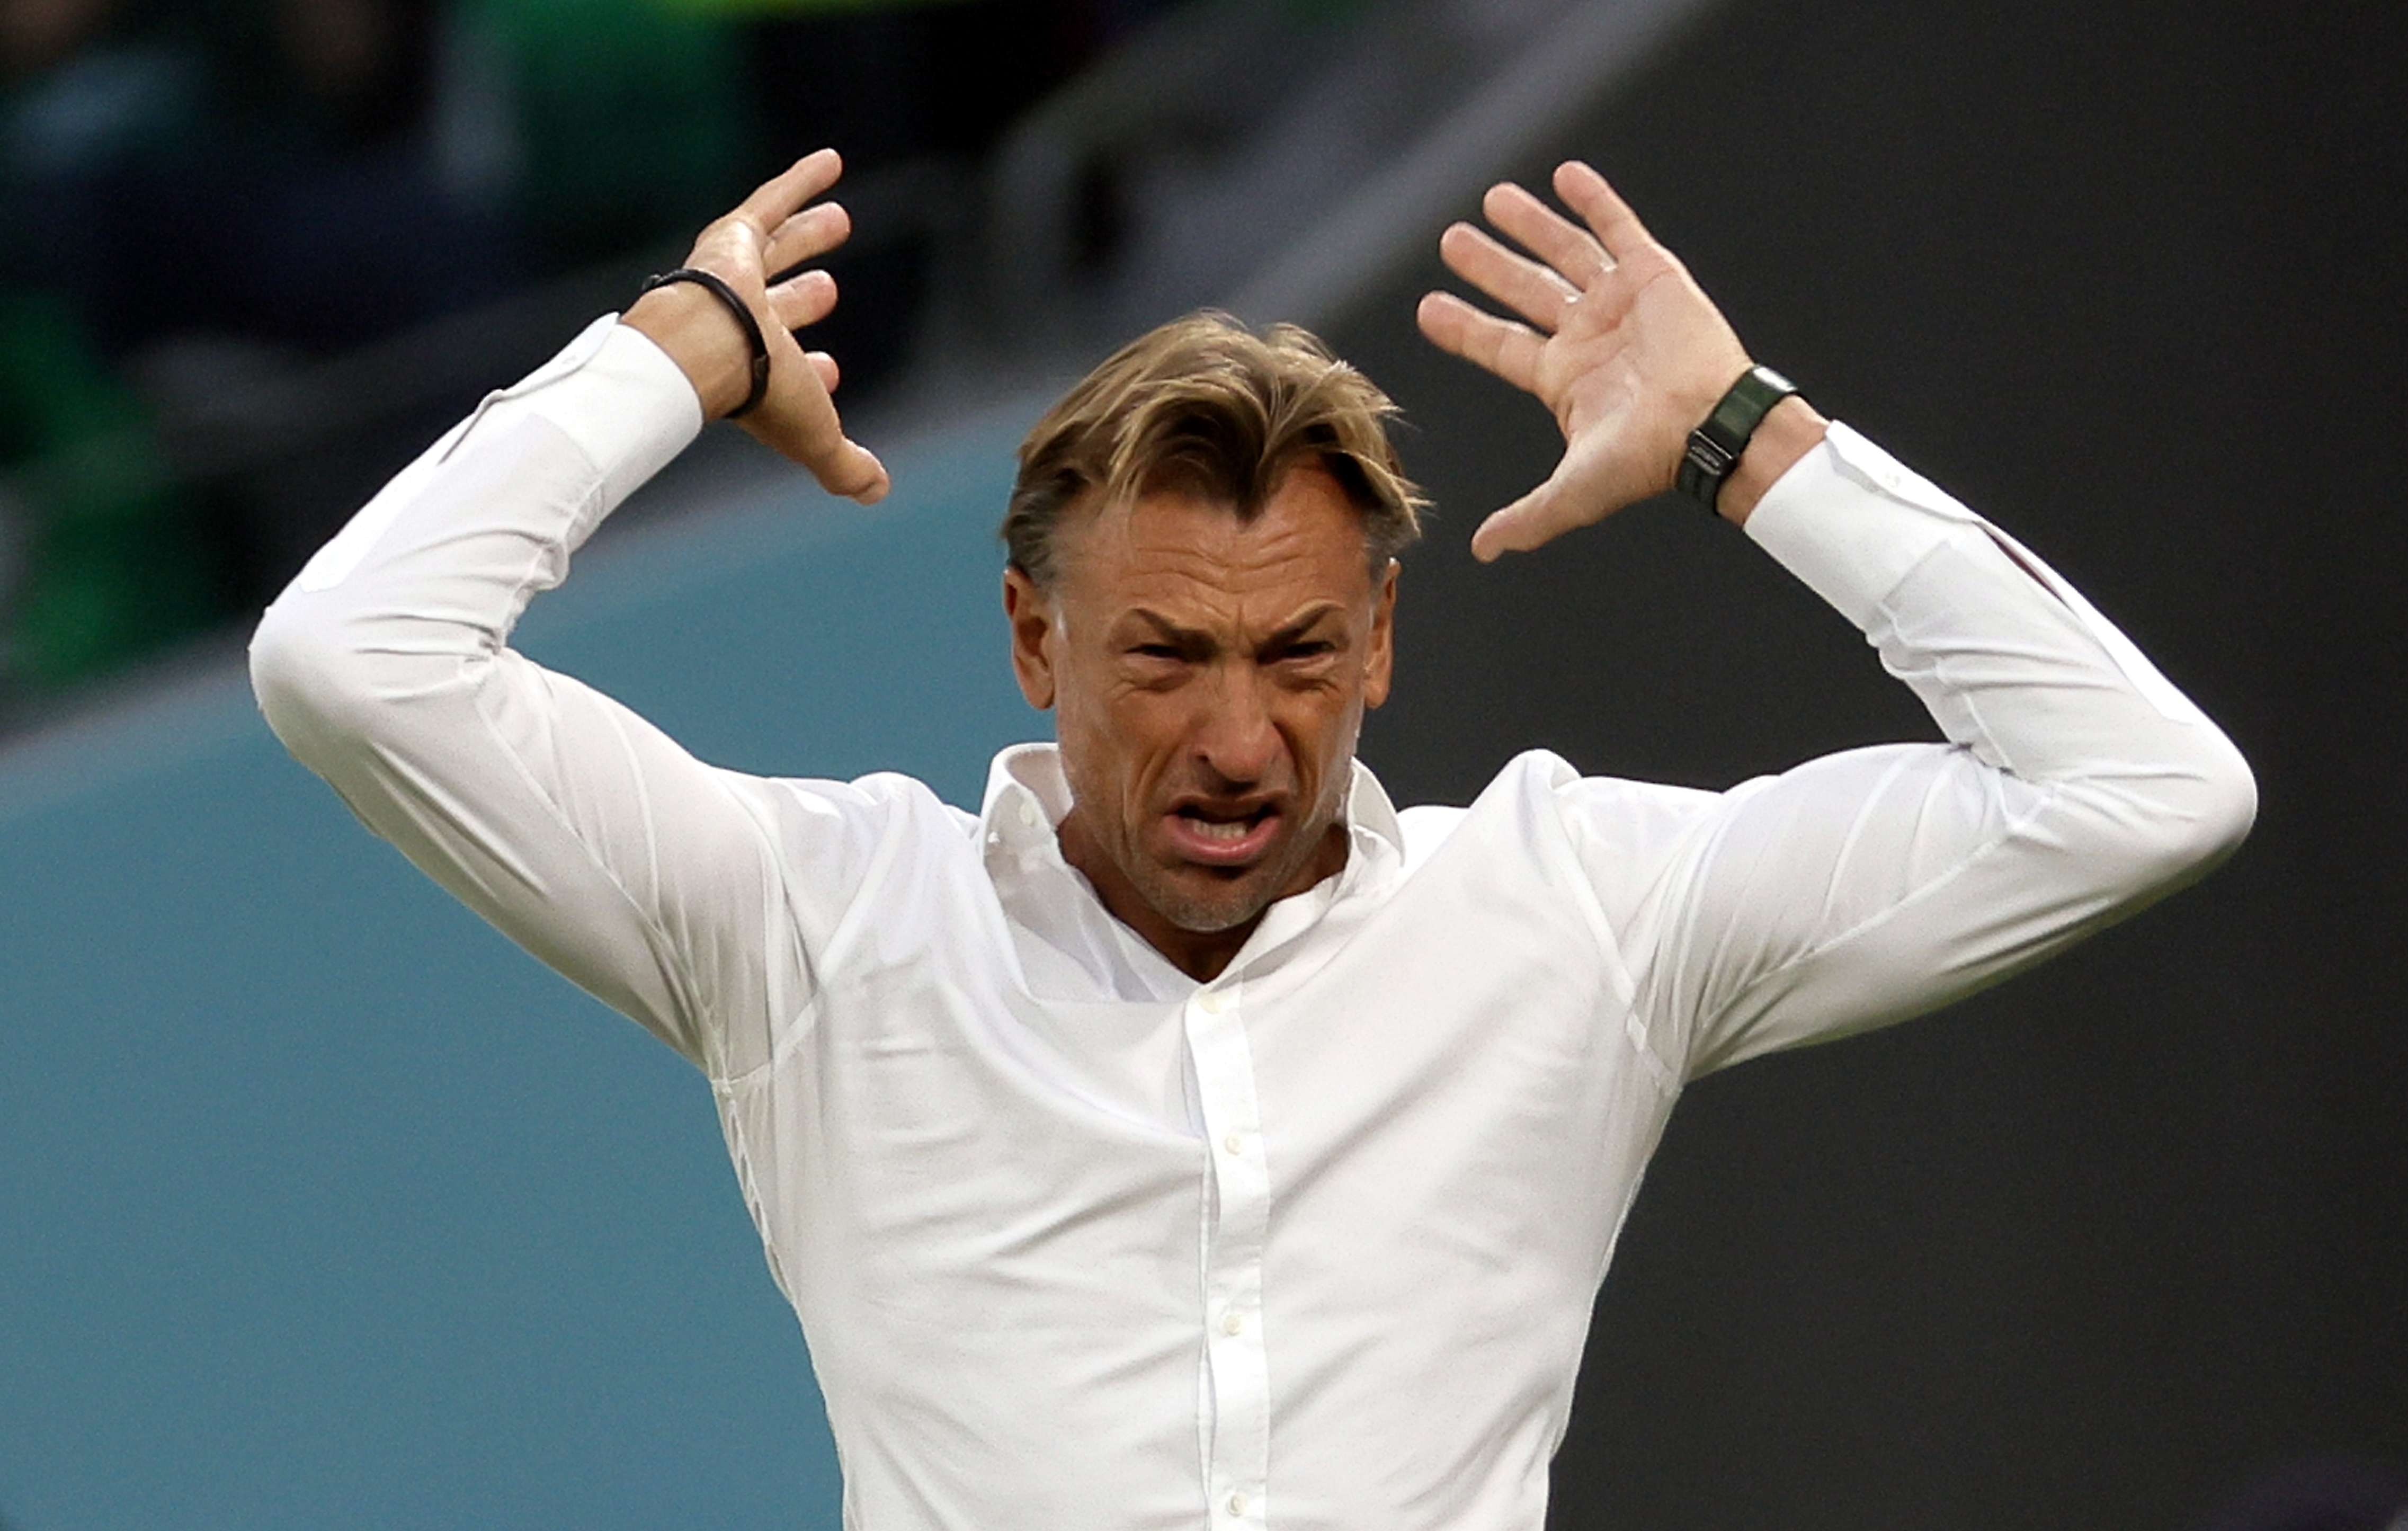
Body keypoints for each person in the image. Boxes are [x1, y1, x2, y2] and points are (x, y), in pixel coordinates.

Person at [247, 149, 2254, 1529]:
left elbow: (2144, 790)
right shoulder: (813, 927)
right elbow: (353, 657)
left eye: (1299, 651)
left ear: (1382, 636)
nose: (1236, 736)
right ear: (1031, 638)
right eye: (1162, 656)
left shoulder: (1575, 915)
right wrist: (675, 349)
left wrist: (1747, 439)